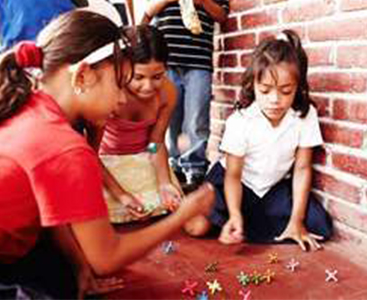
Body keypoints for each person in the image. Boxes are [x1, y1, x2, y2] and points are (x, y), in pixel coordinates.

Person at [0, 10, 214, 299]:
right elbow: (106, 258)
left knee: (66, 273)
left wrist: (80, 268)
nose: (122, 98)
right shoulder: (66, 146)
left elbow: (51, 213)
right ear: (83, 75)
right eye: (120, 84)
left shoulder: (28, 105)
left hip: (8, 248)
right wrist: (183, 214)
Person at [185, 30, 333, 252]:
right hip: (235, 184)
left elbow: (302, 169)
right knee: (196, 226)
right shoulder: (241, 120)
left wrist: (297, 221)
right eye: (265, 90)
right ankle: (230, 217)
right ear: (253, 86)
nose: (274, 100)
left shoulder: (305, 114)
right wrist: (234, 213)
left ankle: (252, 224)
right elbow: (233, 175)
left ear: (298, 88)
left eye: (285, 91)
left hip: (272, 187)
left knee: (320, 226)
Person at [97, 24, 183, 224]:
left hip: (147, 157)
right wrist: (121, 195)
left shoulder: (168, 93)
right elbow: (91, 155)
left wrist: (163, 182)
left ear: (166, 69)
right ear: (123, 67)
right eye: (138, 77)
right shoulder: (108, 93)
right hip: (106, 164)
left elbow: (156, 143)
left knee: (173, 208)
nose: (148, 86)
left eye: (157, 77)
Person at [142, 0, 229, 189]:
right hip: (166, 62)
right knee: (169, 119)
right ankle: (173, 164)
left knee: (197, 117)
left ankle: (195, 168)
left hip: (199, 61)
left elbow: (222, 16)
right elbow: (147, 12)